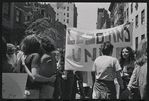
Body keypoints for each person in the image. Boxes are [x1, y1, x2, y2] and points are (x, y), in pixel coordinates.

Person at [19, 34, 56, 99]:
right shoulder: (36, 56)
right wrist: (49, 79)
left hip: (22, 89)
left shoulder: (22, 56)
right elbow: (34, 77)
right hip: (33, 91)